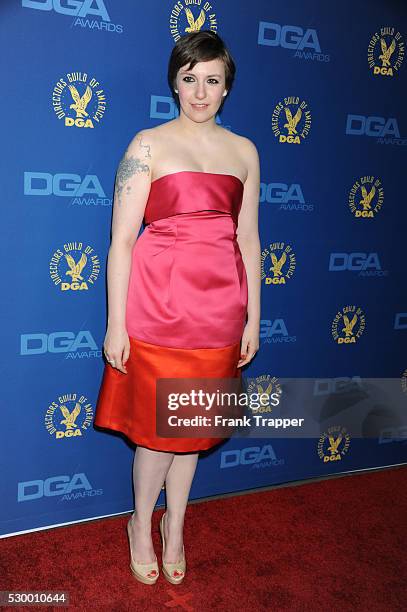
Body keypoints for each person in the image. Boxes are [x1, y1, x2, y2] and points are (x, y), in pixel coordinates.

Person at [93, 30, 261, 585]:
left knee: (193, 427)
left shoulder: (244, 152)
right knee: (156, 433)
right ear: (175, 81)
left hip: (218, 314)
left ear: (227, 88)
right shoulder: (147, 146)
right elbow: (120, 241)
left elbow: (249, 242)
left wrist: (252, 319)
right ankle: (141, 524)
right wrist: (116, 323)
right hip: (157, 311)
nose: (200, 91)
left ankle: (176, 526)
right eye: (190, 79)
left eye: (212, 80)